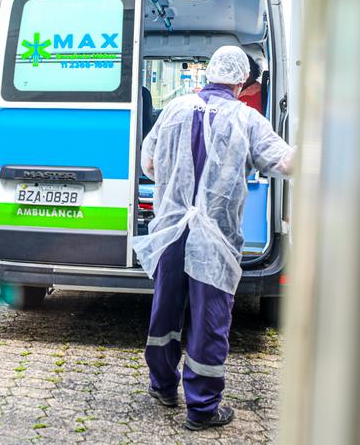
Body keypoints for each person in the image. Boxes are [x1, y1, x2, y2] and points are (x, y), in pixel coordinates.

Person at [134, 46, 295, 431]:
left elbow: (149, 161)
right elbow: (285, 162)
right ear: (241, 81)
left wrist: (177, 188)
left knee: (165, 311)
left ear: (209, 74)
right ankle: (203, 408)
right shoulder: (246, 118)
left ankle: (164, 386)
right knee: (210, 319)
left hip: (171, 231)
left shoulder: (174, 109)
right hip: (214, 240)